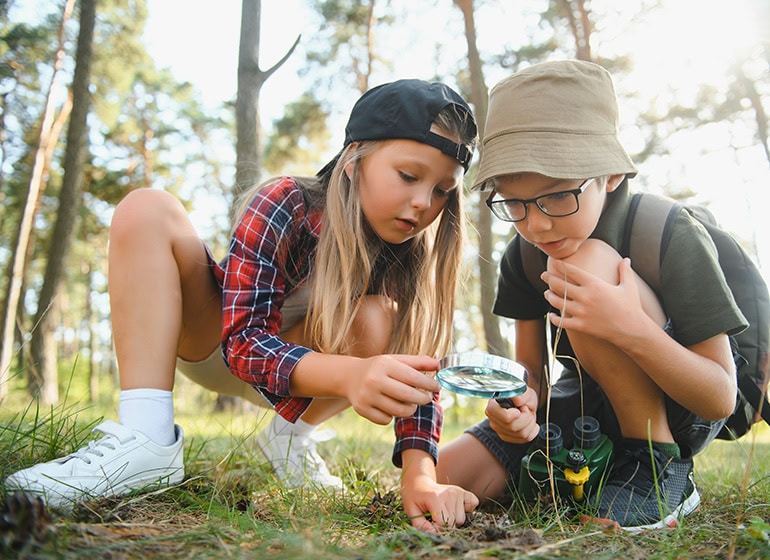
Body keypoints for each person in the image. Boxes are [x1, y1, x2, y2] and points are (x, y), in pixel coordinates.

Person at [5, 78, 480, 532]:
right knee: (147, 207)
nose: (423, 203)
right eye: (408, 175)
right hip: (214, 345)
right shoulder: (287, 202)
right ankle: (146, 440)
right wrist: (351, 375)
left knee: (384, 320)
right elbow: (244, 341)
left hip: (301, 392)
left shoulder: (411, 257)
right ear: (354, 161)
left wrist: (420, 475)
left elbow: (419, 377)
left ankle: (287, 439)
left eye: (442, 190)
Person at [434, 60, 748, 531]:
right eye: (513, 203)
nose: (536, 225)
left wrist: (632, 328)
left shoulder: (669, 233)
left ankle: (657, 469)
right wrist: (517, 412)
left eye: (559, 195)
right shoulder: (525, 254)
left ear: (611, 175)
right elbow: (532, 378)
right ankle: (565, 471)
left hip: (677, 407)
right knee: (441, 474)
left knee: (586, 265)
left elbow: (720, 397)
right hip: (581, 409)